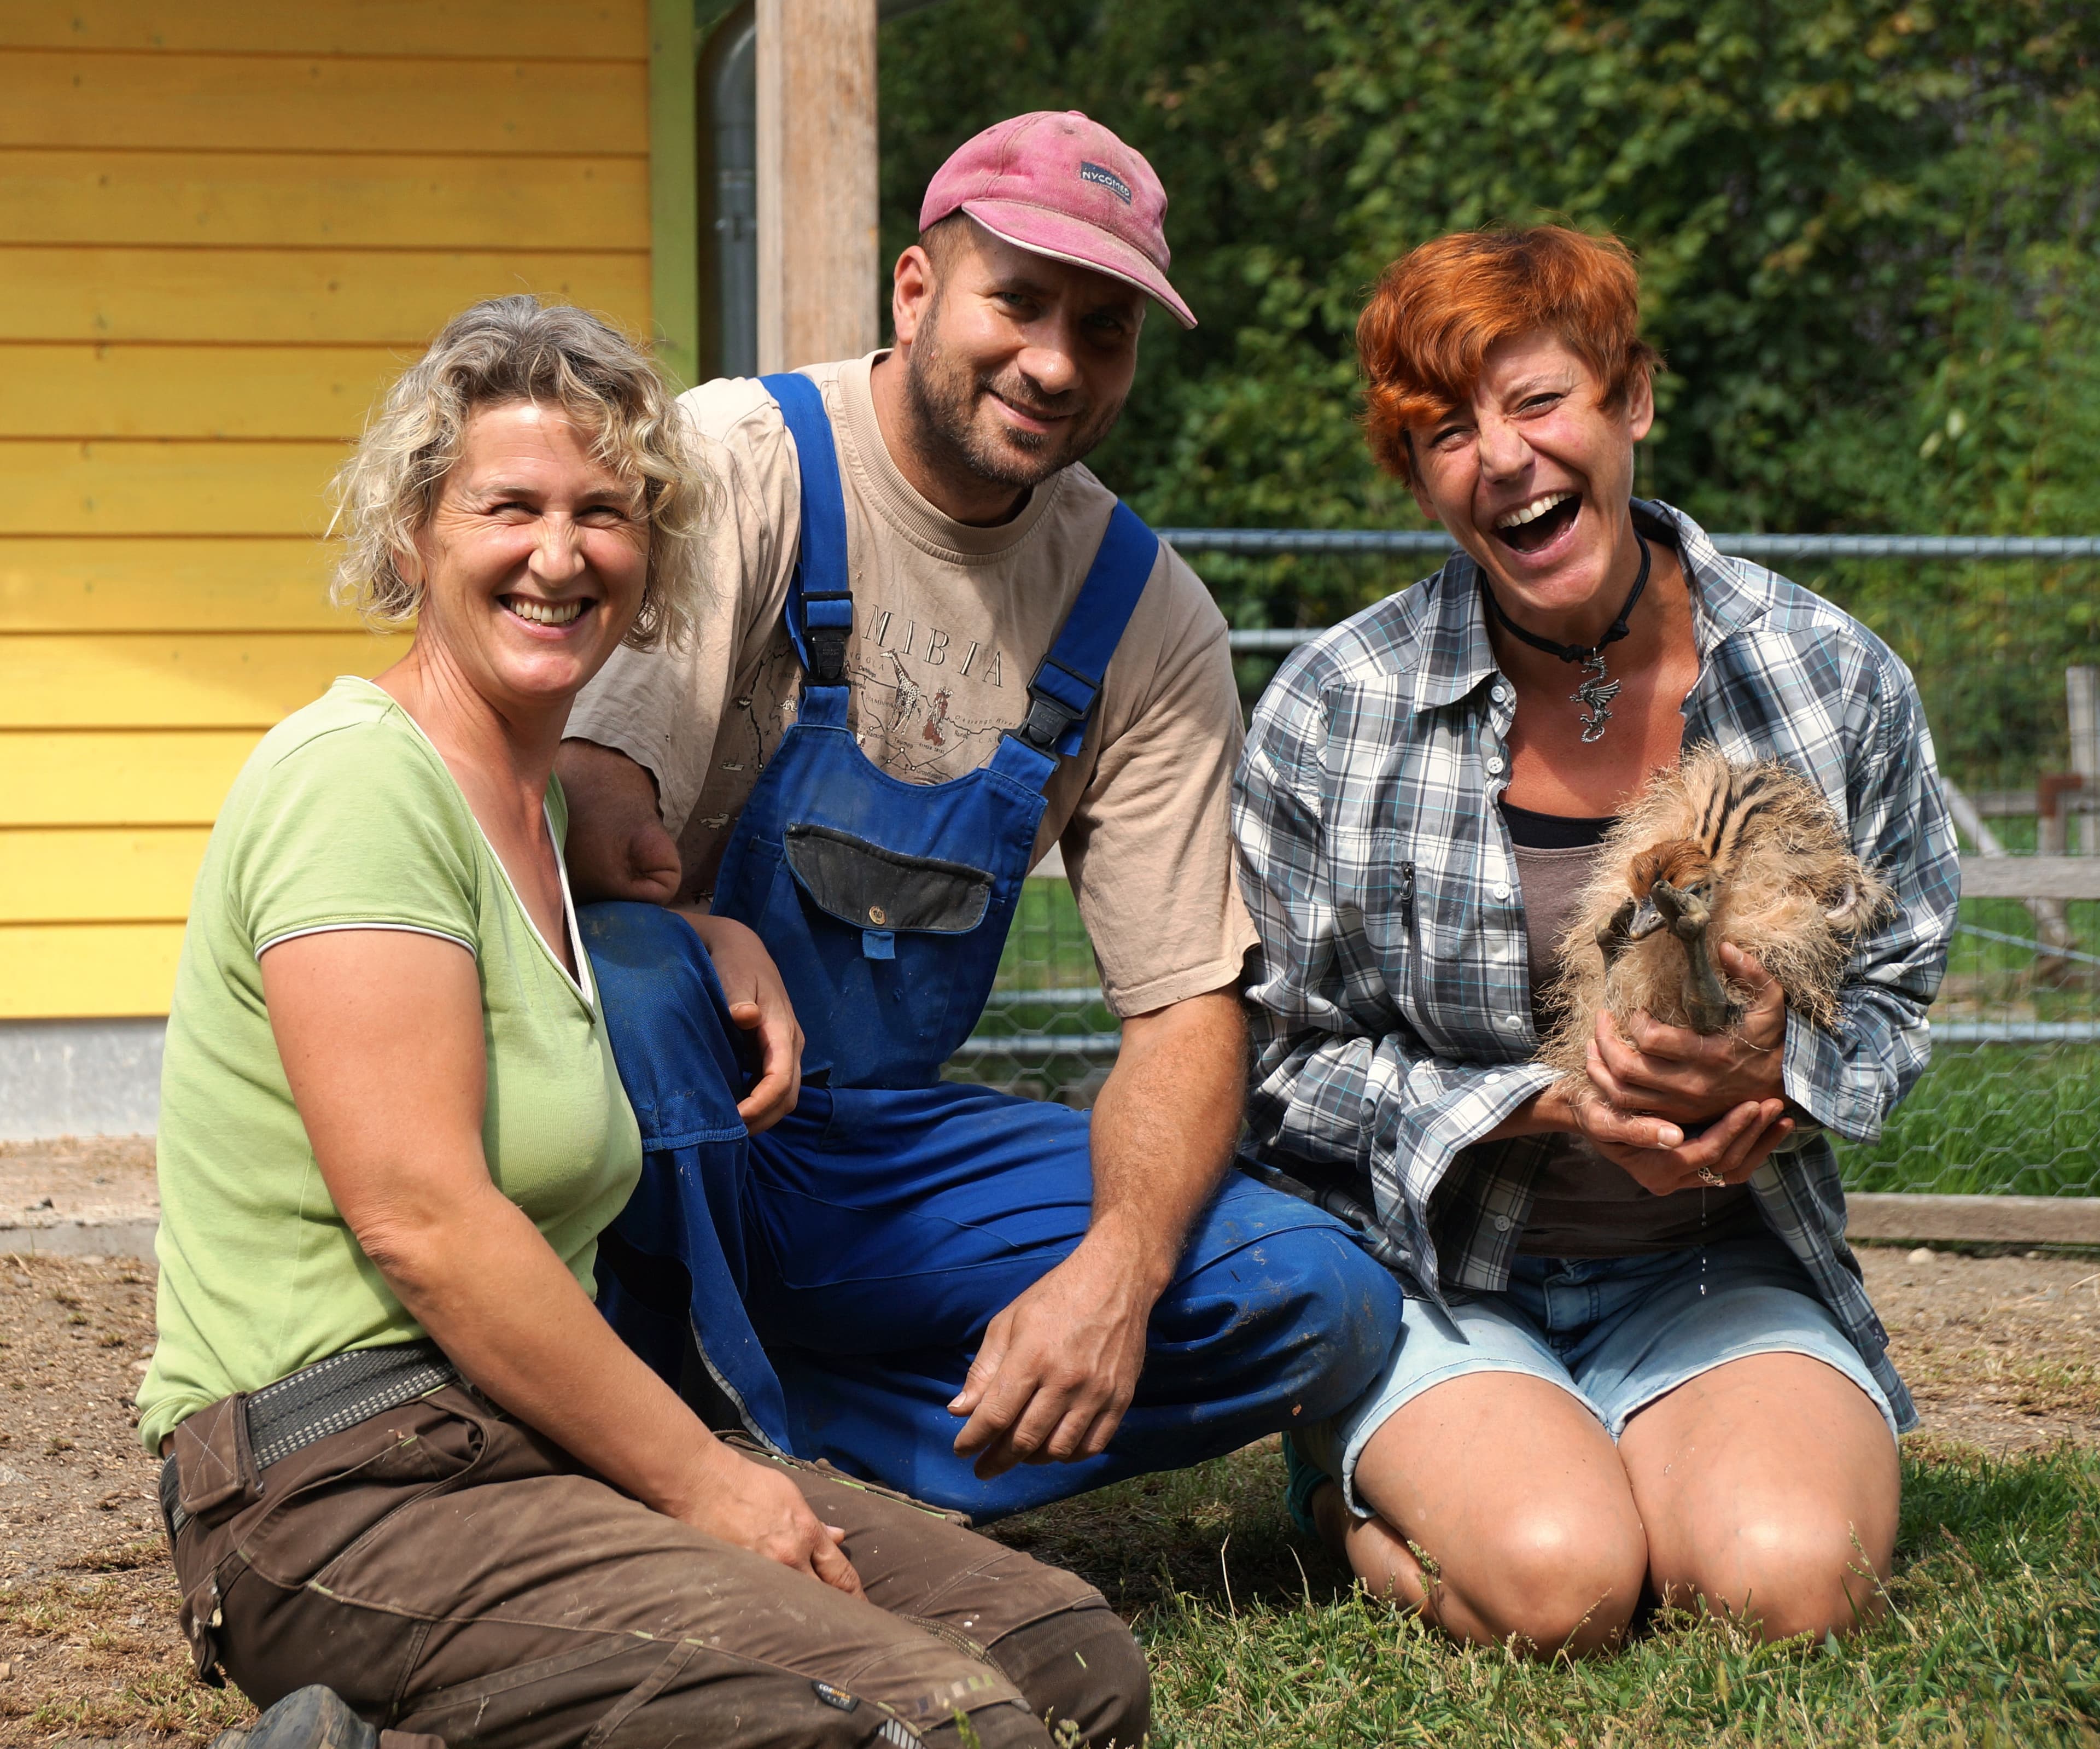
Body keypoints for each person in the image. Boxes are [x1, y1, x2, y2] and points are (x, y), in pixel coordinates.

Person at [139, 296, 1150, 1749]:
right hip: (338, 1486)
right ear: (417, 529)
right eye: (512, 507)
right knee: (939, 1726)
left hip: (524, 1440)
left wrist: (701, 929)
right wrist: (703, 1476)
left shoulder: (538, 818)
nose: (563, 555)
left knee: (1068, 1664)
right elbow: (420, 1212)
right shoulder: (351, 782)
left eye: (607, 513)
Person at [557, 110, 1405, 1520]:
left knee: (1319, 1296)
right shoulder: (745, 459)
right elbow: (595, 802)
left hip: (870, 1159)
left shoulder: (1143, 613)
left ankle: (788, 1442)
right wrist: (694, 925)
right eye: (1018, 299)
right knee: (641, 986)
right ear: (916, 289)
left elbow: (1188, 1014)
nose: (1057, 363)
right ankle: (676, 1414)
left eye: (1107, 326)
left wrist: (1113, 1281)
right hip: (657, 1116)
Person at [1233, 226, 1959, 1653]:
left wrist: (1778, 1081)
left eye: (1541, 401)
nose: (1501, 457)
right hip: (1438, 1269)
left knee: (1790, 1586)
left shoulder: (1827, 674)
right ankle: (1349, 1484)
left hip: (1717, 1265)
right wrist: (1538, 1103)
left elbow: (1897, 999)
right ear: (1416, 470)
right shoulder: (1334, 705)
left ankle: (1644, 1456)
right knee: (1567, 1589)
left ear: (1633, 398)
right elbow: (1270, 1064)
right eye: (1446, 429)